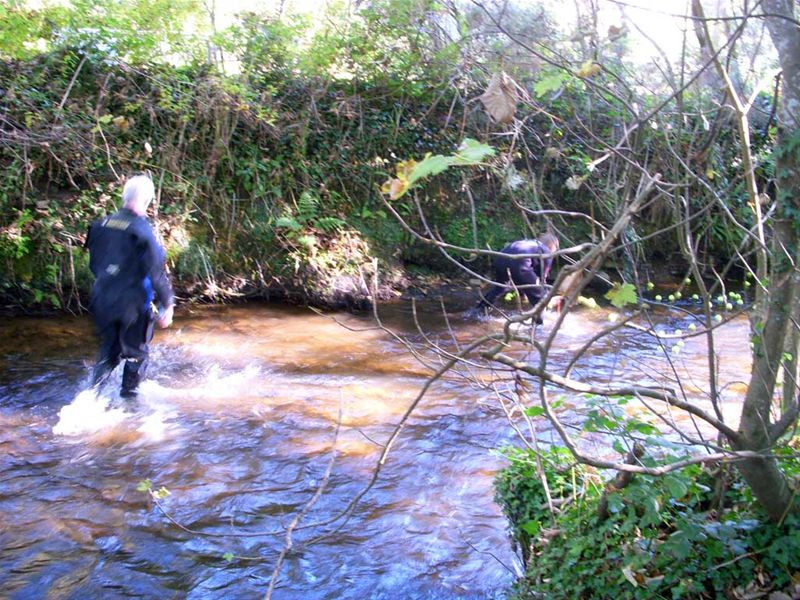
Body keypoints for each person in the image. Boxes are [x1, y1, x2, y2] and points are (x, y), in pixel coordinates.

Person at [85, 175, 174, 398]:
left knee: (109, 352)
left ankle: (92, 398)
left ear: (124, 197)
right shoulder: (142, 231)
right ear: (147, 201)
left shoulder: (99, 225)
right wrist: (168, 304)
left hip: (102, 299)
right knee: (137, 355)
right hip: (132, 305)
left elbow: (94, 265)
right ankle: (129, 403)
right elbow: (155, 273)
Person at [475, 232, 560, 322]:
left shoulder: (528, 243)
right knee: (539, 297)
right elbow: (542, 278)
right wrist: (546, 295)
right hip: (520, 264)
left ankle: (479, 311)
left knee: (500, 287)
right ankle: (539, 325)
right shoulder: (546, 251)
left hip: (500, 259)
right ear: (552, 247)